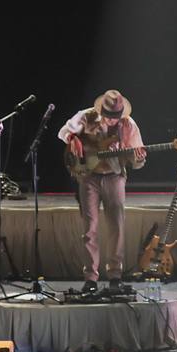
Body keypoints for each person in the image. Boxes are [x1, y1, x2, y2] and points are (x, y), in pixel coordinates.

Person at [58, 89, 146, 293]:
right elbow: (63, 132)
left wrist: (138, 158)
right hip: (89, 176)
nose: (113, 121)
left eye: (116, 116)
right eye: (109, 117)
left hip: (115, 176)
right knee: (90, 229)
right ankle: (90, 277)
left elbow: (136, 159)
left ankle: (115, 275)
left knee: (116, 226)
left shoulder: (128, 124)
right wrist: (73, 138)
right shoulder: (87, 115)